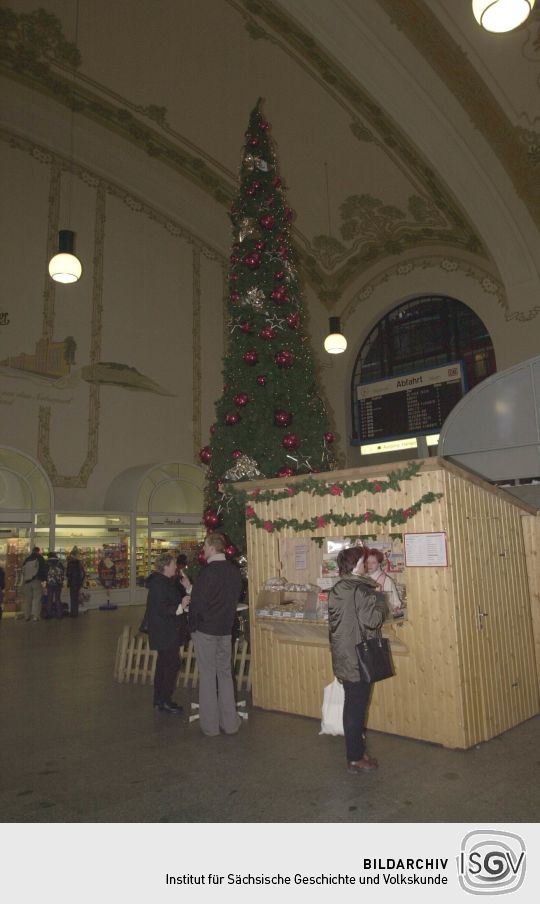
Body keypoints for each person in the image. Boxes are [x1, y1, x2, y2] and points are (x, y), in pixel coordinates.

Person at [328, 546, 386, 774]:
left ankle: (357, 752)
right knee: (356, 708)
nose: (365, 565)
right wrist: (381, 601)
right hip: (358, 656)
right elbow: (372, 621)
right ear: (356, 565)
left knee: (352, 704)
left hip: (343, 654)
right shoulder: (360, 590)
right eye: (363, 562)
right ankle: (354, 758)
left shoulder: (338, 588)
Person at [188, 532, 242, 736]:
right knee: (226, 674)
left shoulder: (207, 572)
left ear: (212, 547)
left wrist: (192, 626)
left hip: (206, 630)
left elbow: (198, 604)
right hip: (225, 629)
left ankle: (210, 726)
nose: (203, 549)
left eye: (204, 546)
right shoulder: (234, 571)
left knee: (208, 676)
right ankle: (230, 723)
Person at [145, 551, 188, 714]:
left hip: (164, 630)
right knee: (170, 665)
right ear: (165, 566)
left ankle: (160, 699)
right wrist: (180, 607)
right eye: (173, 564)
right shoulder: (160, 584)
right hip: (166, 631)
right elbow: (162, 608)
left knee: (164, 665)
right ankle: (164, 700)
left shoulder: (161, 582)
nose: (176, 567)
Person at [365, 548, 403, 616]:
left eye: (373, 562)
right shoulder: (364, 578)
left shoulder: (386, 580)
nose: (370, 565)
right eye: (368, 562)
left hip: (382, 618)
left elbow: (396, 603)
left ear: (379, 564)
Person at [21, 546, 47, 621]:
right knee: (37, 599)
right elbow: (43, 569)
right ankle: (35, 616)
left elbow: (23, 570)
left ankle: (27, 616)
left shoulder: (27, 559)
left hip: (27, 581)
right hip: (36, 580)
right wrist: (44, 579)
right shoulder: (40, 558)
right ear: (38, 551)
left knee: (27, 599)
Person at [66, 548, 85, 618]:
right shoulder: (79, 563)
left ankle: (73, 613)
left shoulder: (71, 563)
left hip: (73, 582)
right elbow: (83, 573)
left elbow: (68, 574)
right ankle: (75, 612)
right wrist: (81, 581)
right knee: (76, 598)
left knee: (73, 598)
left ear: (72, 555)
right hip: (78, 582)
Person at [45, 551, 65, 619]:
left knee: (49, 598)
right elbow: (63, 572)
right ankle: (59, 614)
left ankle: (49, 614)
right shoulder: (59, 563)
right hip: (58, 584)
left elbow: (45, 573)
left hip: (50, 584)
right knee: (57, 598)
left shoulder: (47, 563)